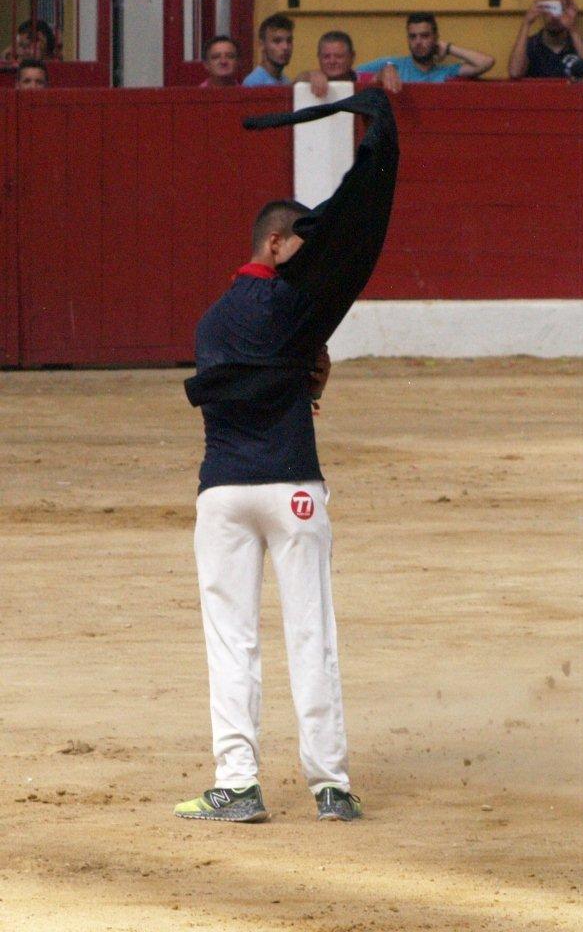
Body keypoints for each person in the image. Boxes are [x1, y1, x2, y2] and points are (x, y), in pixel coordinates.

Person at [176, 88, 399, 824]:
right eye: (301, 242)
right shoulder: (303, 311)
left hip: (224, 493)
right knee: (312, 633)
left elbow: (232, 385)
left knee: (230, 638)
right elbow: (295, 363)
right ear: (274, 243)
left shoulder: (212, 320)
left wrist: (301, 370)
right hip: (295, 489)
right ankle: (330, 784)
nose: (312, 254)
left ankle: (237, 784)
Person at [356, 13, 494, 92]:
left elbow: (487, 62)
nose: (418, 42)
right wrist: (382, 72)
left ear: (435, 38)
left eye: (425, 36)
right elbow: (352, 76)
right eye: (413, 36)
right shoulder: (391, 63)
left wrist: (448, 48)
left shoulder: (446, 71)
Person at [508, 0, 583, 78]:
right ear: (542, 11)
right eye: (549, 8)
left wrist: (572, 28)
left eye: (559, 9)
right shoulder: (529, 45)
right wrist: (526, 23)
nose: (554, 17)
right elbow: (515, 73)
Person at [295, 30, 362, 99]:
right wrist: (308, 75)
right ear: (319, 57)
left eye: (339, 56)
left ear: (352, 57)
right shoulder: (309, 80)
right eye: (326, 57)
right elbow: (296, 82)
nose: (332, 61)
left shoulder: (367, 82)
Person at [242, 13, 294, 87]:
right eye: (277, 41)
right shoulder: (254, 84)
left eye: (289, 41)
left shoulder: (285, 81)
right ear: (262, 45)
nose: (285, 47)